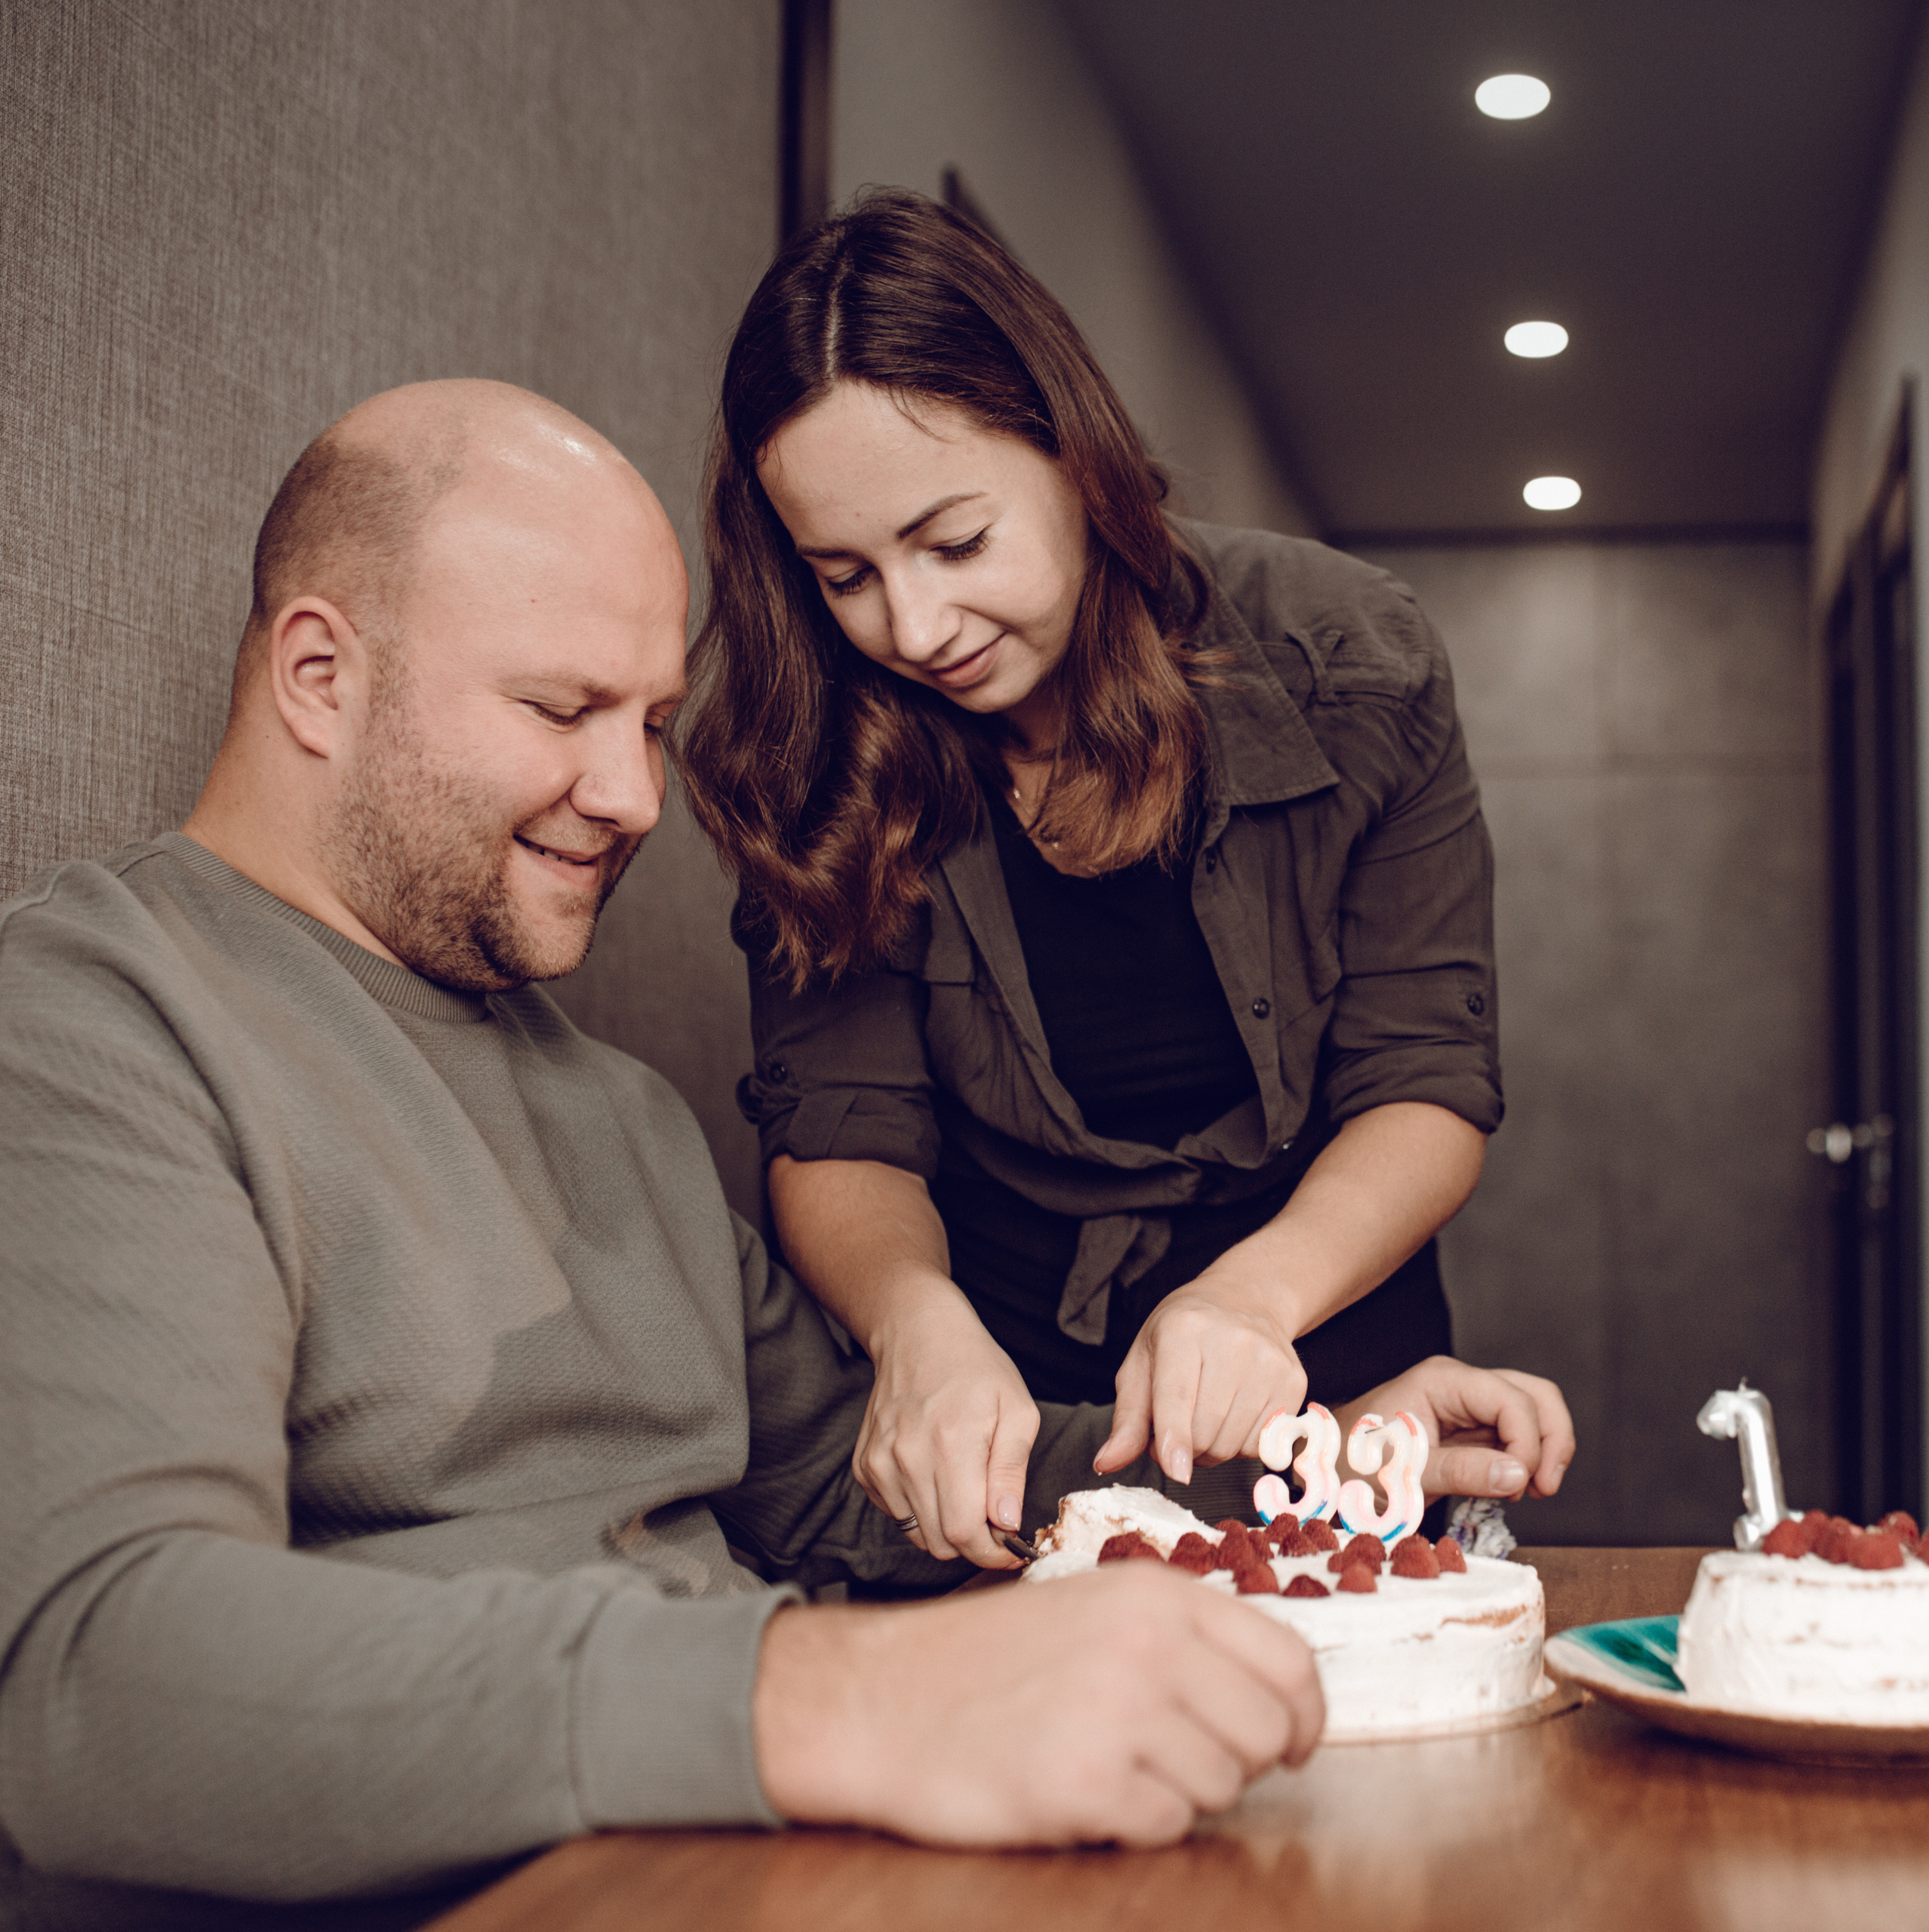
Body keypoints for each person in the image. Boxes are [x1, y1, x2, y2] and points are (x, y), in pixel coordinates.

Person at [0, 379, 1335, 1904]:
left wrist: (1285, 1465)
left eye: (649, 722)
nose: (633, 796)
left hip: (752, 1857)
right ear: (318, 672)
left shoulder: (617, 1108)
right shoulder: (93, 1019)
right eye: (560, 711)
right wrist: (845, 1698)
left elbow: (853, 1477)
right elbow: (94, 1679)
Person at [680, 191, 1562, 1568]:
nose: (913, 627)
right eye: (845, 575)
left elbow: (1427, 1082)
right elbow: (841, 1128)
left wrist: (1252, 1297)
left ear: (1074, 452)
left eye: (956, 543)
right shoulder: (818, 745)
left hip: (1329, 1369)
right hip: (1006, 1414)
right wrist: (915, 1328)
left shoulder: (1348, 658)